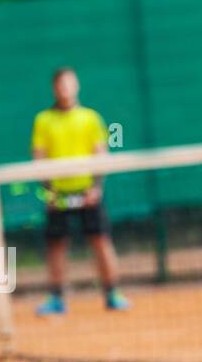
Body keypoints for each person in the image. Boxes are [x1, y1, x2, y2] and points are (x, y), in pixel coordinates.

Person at [30, 67, 130, 315]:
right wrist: (49, 192)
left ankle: (112, 293)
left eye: (69, 83)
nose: (65, 88)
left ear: (77, 86)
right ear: (54, 88)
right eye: (60, 84)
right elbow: (39, 158)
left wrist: (96, 188)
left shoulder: (91, 118)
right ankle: (56, 298)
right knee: (57, 246)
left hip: (88, 192)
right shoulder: (43, 120)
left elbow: (100, 154)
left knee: (101, 241)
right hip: (58, 194)